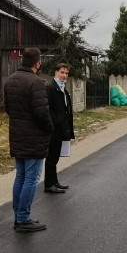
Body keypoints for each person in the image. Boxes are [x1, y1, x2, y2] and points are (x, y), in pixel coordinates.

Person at [4, 47, 54, 232]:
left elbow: (8, 108)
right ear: (37, 63)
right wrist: (50, 128)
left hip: (17, 135)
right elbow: (42, 112)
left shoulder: (10, 80)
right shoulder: (36, 82)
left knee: (20, 177)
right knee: (31, 178)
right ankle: (23, 219)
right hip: (34, 137)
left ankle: (18, 216)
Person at [44, 62, 76, 194]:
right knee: (51, 157)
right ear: (56, 72)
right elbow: (48, 108)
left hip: (61, 129)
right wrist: (56, 122)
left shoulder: (63, 88)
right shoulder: (50, 88)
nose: (64, 75)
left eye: (66, 73)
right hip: (54, 130)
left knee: (56, 156)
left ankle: (54, 181)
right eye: (62, 72)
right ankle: (48, 185)